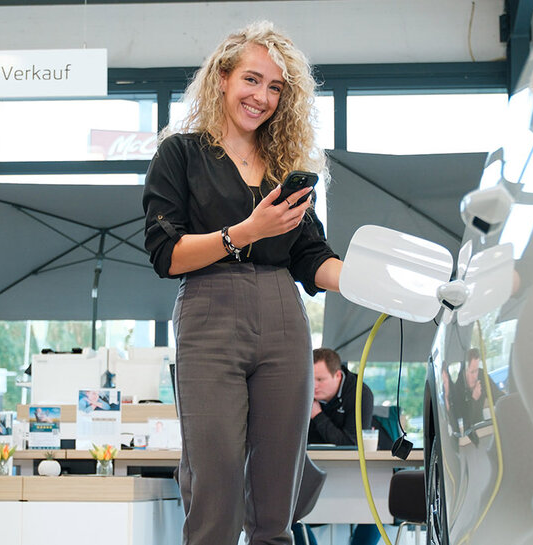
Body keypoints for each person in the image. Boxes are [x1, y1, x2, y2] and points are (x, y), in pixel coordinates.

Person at [141, 21, 343, 545]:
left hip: (283, 316)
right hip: (209, 311)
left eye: (275, 88)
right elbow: (166, 254)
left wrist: (363, 279)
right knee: (216, 487)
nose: (262, 97)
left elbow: (310, 256)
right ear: (223, 78)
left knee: (277, 500)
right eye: (252, 80)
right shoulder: (180, 155)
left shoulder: (285, 168)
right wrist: (246, 232)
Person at [295, 347, 380, 545]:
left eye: (320, 379)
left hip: (360, 472)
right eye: (310, 379)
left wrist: (317, 415)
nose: (314, 386)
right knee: (286, 509)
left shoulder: (360, 392)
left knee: (376, 510)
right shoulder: (302, 393)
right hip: (316, 468)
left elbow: (351, 444)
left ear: (338, 376)